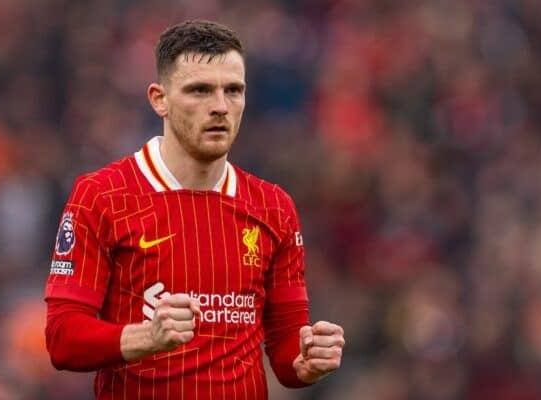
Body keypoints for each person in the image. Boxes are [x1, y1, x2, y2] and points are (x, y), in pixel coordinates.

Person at [44, 19, 345, 399]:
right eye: (200, 90)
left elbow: (286, 351)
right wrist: (147, 337)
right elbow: (62, 338)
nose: (220, 106)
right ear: (159, 99)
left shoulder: (274, 207)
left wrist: (306, 362)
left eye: (233, 90)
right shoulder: (102, 196)